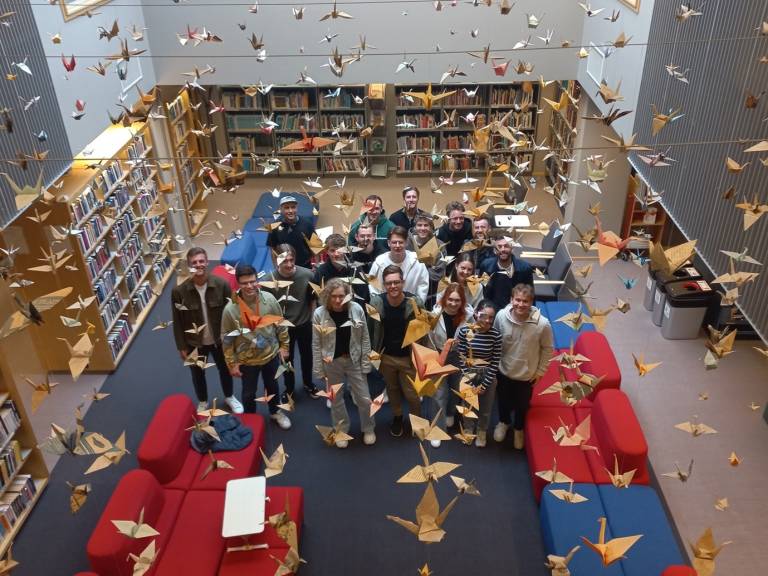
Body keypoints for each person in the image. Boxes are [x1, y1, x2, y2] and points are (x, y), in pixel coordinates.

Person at [172, 247, 242, 414]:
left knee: (224, 369)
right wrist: (181, 346)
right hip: (194, 342)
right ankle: (203, 401)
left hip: (219, 340)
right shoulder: (179, 292)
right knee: (197, 373)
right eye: (194, 262)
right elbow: (177, 320)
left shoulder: (222, 285)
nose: (198, 265)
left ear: (207, 262)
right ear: (189, 265)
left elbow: (232, 314)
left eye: (201, 261)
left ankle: (229, 396)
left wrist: (234, 340)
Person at [221, 264, 292, 429]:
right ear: (238, 284)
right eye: (244, 283)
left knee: (273, 386)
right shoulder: (230, 309)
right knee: (248, 393)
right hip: (247, 361)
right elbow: (227, 338)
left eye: (252, 281)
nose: (249, 286)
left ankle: (275, 412)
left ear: (257, 280)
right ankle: (250, 419)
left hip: (271, 355)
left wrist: (285, 346)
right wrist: (231, 363)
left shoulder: (269, 299)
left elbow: (280, 324)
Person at [312, 278, 376, 447]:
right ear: (328, 296)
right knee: (336, 400)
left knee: (364, 398)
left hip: (354, 360)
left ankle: (368, 428)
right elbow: (316, 343)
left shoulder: (356, 309)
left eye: (341, 296)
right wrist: (319, 369)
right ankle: (341, 430)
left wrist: (366, 363)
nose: (338, 300)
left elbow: (365, 338)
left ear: (348, 296)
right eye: (334, 296)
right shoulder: (319, 313)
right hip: (332, 362)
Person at [493, 283, 553, 450]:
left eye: (525, 301)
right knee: (503, 400)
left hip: (527, 375)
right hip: (503, 370)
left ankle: (518, 428)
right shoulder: (501, 316)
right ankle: (503, 422)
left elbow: (547, 349)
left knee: (522, 405)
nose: (520, 304)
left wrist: (540, 371)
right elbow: (495, 339)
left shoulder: (542, 324)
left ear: (531, 302)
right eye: (517, 300)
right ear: (511, 300)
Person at [369, 265, 424, 437]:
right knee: (392, 389)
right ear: (384, 285)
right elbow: (370, 330)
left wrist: (420, 356)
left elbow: (422, 331)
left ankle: (417, 420)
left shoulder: (415, 303)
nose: (393, 286)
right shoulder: (376, 303)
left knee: (412, 393)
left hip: (408, 357)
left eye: (396, 282)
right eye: (389, 283)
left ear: (403, 282)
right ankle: (398, 417)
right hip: (386, 357)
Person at [262, 244, 320, 401]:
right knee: (286, 360)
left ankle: (308, 383)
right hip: (282, 328)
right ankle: (289, 389)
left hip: (304, 324)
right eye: (284, 261)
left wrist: (312, 319)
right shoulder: (267, 281)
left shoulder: (308, 275)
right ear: (276, 260)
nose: (289, 264)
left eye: (291, 260)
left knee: (307, 356)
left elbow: (313, 299)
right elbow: (266, 310)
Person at [427, 283, 471, 448]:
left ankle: (450, 413)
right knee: (439, 392)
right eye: (450, 299)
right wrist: (433, 360)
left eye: (457, 300)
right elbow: (429, 338)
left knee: (455, 388)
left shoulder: (469, 316)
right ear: (445, 299)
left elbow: (472, 338)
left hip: (459, 356)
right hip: (439, 354)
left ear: (462, 301)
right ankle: (437, 429)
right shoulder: (434, 315)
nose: (453, 303)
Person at [456, 299, 502, 448]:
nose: (487, 320)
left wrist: (484, 384)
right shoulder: (464, 331)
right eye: (484, 316)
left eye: (491, 317)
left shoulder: (496, 335)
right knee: (468, 404)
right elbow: (461, 356)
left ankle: (482, 431)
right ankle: (468, 429)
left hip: (487, 374)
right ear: (476, 314)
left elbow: (495, 361)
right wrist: (468, 379)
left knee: (486, 408)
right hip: (468, 373)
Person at [368, 226, 429, 303]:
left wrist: (416, 306)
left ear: (406, 242)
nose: (397, 246)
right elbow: (373, 288)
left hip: (412, 306)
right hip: (386, 307)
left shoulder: (417, 262)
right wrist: (379, 306)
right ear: (389, 243)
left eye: (400, 242)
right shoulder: (379, 262)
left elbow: (423, 286)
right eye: (394, 242)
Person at [480, 234, 534, 310]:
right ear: (495, 250)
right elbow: (483, 290)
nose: (503, 249)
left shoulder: (524, 269)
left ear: (512, 248)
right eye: (499, 247)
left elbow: (530, 294)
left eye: (506, 246)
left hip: (516, 308)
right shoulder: (486, 266)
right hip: (491, 309)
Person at [314, 233, 370, 303]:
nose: (336, 254)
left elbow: (363, 297)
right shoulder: (321, 271)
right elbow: (316, 298)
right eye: (332, 250)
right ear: (327, 251)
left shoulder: (356, 269)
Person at [407, 214, 446, 308]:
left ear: (431, 227)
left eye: (426, 225)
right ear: (415, 227)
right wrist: (429, 266)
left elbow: (438, 273)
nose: (422, 228)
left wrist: (417, 271)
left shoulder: (439, 245)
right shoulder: (406, 243)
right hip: (408, 291)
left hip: (431, 293)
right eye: (419, 225)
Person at [266, 196, 316, 268]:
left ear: (297, 208)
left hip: (305, 265)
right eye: (286, 208)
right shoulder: (274, 226)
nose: (290, 211)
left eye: (293, 207)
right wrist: (276, 266)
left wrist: (316, 264)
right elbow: (272, 248)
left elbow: (316, 246)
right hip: (285, 266)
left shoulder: (307, 224)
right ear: (281, 209)